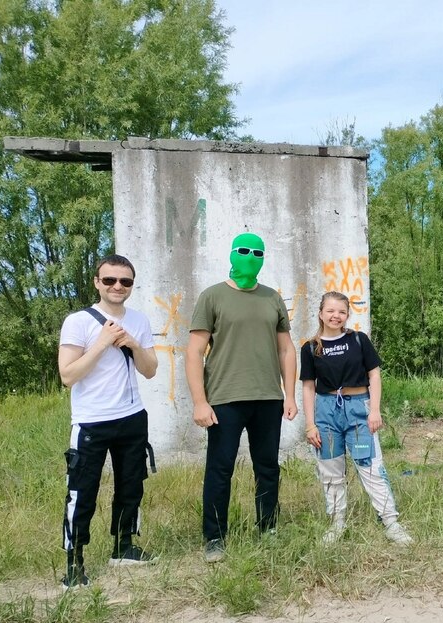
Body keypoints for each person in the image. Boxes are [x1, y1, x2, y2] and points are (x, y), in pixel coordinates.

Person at [186, 233, 298, 563]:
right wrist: (199, 401)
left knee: (268, 468)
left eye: (257, 252)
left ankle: (268, 529)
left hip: (267, 398)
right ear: (232, 254)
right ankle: (215, 537)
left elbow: (285, 348)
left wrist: (289, 394)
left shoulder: (271, 298)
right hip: (224, 399)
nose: (250, 257)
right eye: (244, 251)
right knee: (220, 469)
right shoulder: (212, 297)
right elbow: (194, 352)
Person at [57, 254, 159, 588]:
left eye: (125, 281)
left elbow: (150, 369)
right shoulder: (78, 322)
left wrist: (131, 343)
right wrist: (101, 343)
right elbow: (67, 375)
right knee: (81, 492)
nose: (118, 286)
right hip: (90, 422)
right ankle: (75, 563)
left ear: (131, 285)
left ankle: (124, 547)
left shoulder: (139, 321)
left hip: (131, 418)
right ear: (97, 282)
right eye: (110, 280)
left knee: (132, 485)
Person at [301, 291, 412, 545]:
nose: (335, 316)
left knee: (370, 465)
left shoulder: (358, 340)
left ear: (347, 314)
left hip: (358, 411)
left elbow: (374, 375)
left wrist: (374, 410)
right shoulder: (310, 348)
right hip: (327, 413)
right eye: (330, 311)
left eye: (341, 311)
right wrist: (310, 425)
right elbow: (308, 386)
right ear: (320, 314)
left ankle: (390, 521)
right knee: (330, 470)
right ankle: (337, 522)